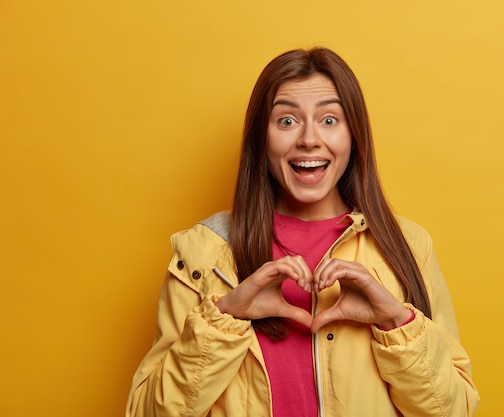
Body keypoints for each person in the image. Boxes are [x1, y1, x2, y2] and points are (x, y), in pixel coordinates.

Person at [126, 47, 479, 417]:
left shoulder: (406, 246)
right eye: (287, 121)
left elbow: (453, 411)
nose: (309, 139)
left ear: (354, 136)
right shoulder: (203, 253)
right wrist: (224, 318)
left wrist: (396, 322)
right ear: (261, 139)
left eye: (329, 120)